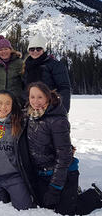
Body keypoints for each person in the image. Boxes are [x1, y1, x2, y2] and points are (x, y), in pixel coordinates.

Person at [25, 81, 102, 215]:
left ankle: (96, 194)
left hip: (64, 173)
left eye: (40, 97)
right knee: (45, 206)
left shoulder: (58, 121)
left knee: (66, 212)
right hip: (43, 174)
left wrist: (55, 188)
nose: (35, 101)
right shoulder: (30, 115)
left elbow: (64, 156)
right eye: (32, 97)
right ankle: (71, 193)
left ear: (48, 97)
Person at [23, 34, 71, 112]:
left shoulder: (55, 65)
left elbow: (64, 87)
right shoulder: (26, 65)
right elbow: (24, 88)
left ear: (43, 50)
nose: (35, 51)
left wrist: (63, 109)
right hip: (31, 107)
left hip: (50, 107)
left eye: (38, 49)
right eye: (32, 49)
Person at [0, 36, 23, 104]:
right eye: (0, 50)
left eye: (6, 49)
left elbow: (24, 80)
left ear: (10, 50)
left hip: (16, 100)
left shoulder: (19, 63)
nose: (3, 52)